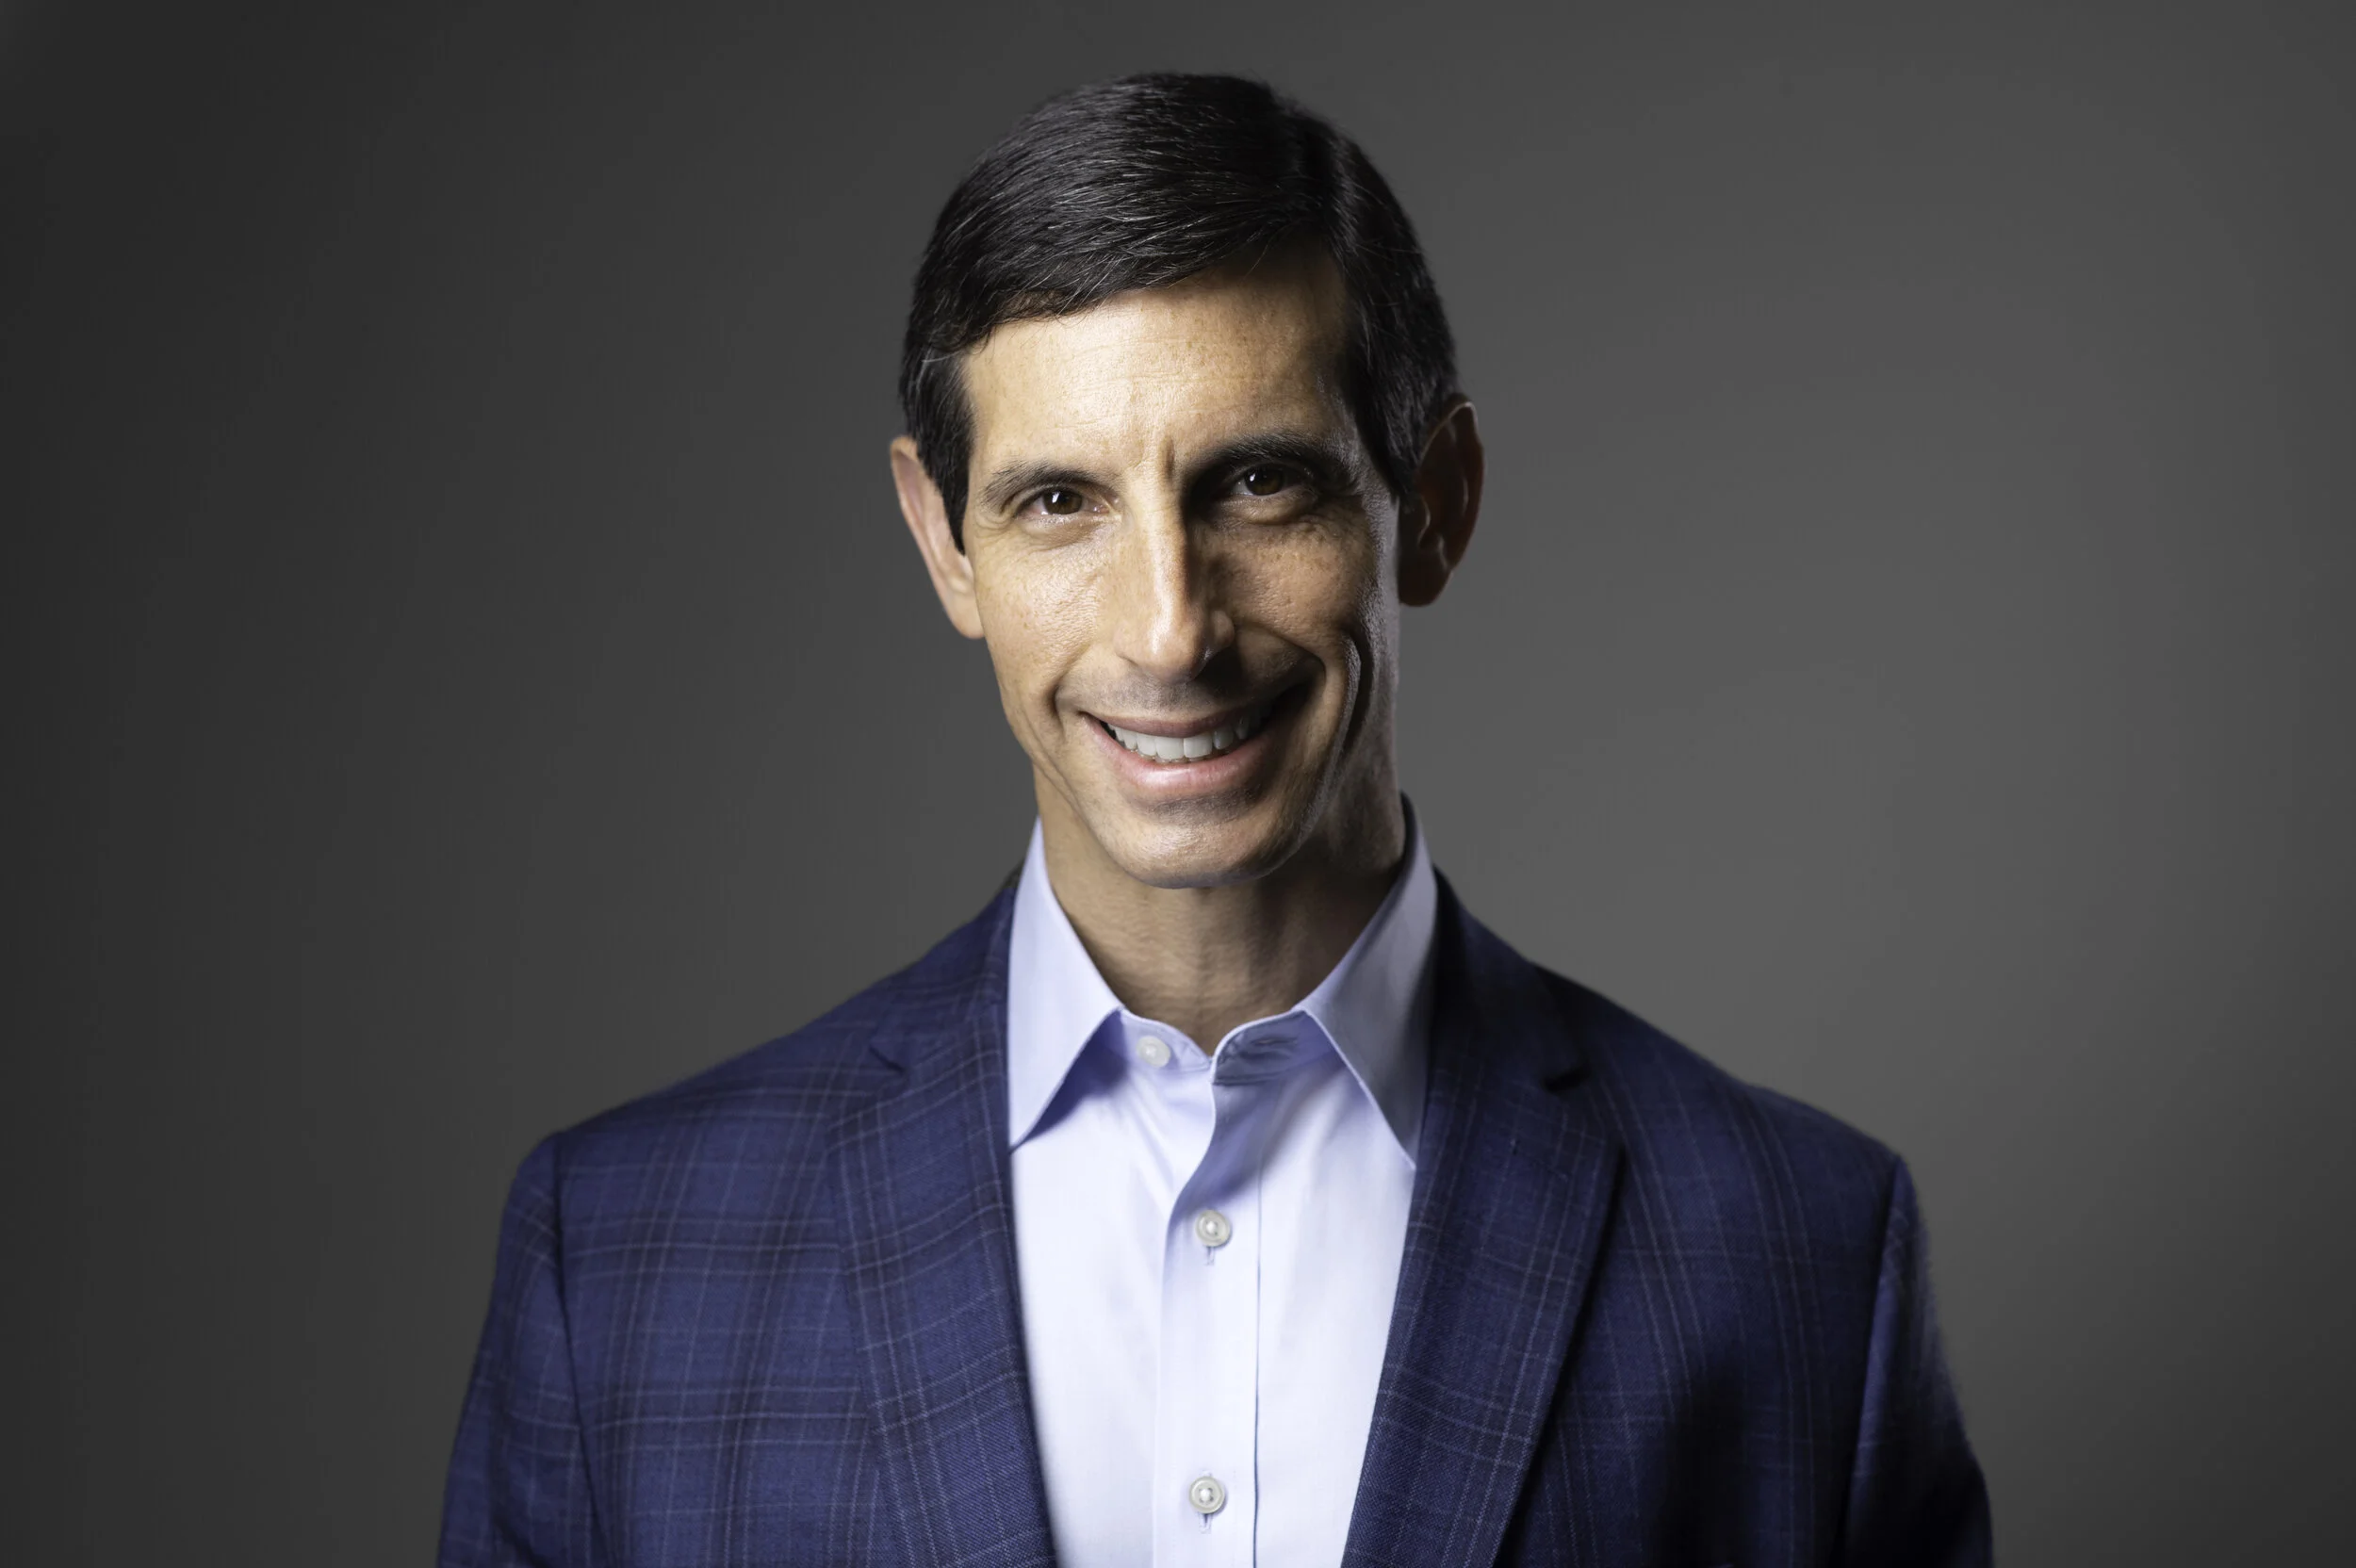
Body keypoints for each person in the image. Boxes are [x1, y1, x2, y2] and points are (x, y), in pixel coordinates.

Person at [439, 73, 1989, 1567]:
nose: (1171, 633)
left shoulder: (1798, 1258)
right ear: (943, 541)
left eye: (1258, 484)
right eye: (1062, 503)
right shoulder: (625, 1264)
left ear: (1434, 501)